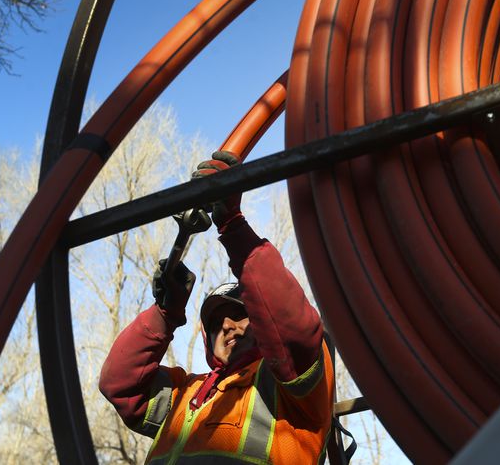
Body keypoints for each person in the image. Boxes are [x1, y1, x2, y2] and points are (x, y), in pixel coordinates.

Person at [99, 151, 335, 464]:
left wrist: (233, 225)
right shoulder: (184, 392)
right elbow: (119, 383)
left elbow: (292, 327)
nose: (226, 325)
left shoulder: (292, 387)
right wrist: (164, 315)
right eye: (215, 322)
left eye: (239, 315)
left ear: (262, 321)